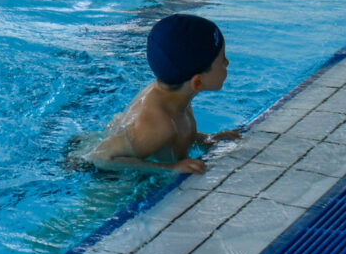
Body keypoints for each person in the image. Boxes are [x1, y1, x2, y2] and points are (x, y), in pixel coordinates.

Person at [80, 13, 239, 174]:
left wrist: (206, 140)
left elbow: (178, 137)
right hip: (110, 183)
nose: (227, 63)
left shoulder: (175, 96)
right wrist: (170, 169)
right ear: (197, 82)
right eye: (222, 60)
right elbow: (100, 157)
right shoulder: (159, 126)